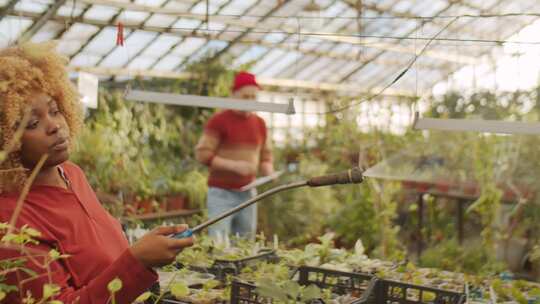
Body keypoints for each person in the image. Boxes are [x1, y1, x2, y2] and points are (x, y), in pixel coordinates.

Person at [0, 41, 194, 303]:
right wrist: (137, 260)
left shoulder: (71, 174)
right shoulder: (11, 220)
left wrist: (143, 252)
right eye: (33, 123)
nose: (55, 126)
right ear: (5, 139)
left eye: (55, 110)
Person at [195, 71, 274, 239]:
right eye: (246, 97)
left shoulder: (260, 123)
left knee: (245, 242)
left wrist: (268, 168)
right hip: (221, 193)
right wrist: (234, 166)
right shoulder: (219, 121)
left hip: (248, 192)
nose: (250, 101)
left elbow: (266, 153)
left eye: (254, 97)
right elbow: (202, 154)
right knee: (219, 242)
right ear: (233, 94)